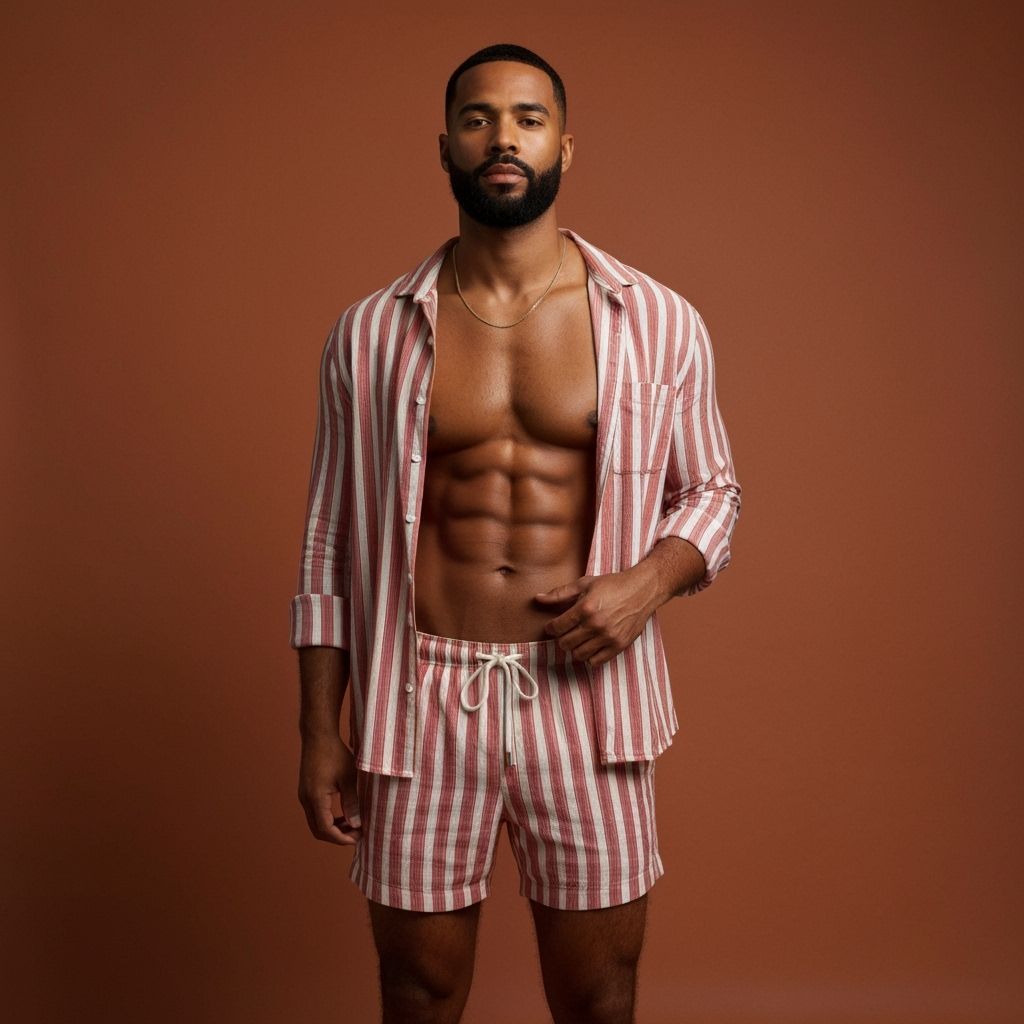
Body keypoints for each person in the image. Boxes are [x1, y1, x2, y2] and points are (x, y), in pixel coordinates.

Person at [290, 42, 742, 1024]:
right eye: (478, 118)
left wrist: (645, 584)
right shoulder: (366, 334)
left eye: (529, 119)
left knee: (598, 995)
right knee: (417, 992)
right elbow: (329, 541)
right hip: (417, 698)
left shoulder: (659, 322)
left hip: (588, 699)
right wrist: (319, 729)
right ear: (445, 147)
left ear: (563, 147)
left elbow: (714, 492)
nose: (504, 138)